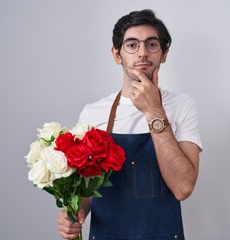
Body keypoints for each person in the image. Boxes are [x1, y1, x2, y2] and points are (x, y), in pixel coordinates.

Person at [58, 9, 202, 240]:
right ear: (117, 55)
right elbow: (86, 189)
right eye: (132, 45)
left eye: (152, 44)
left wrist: (154, 110)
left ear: (164, 54)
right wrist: (75, 213)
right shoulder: (93, 113)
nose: (142, 53)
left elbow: (183, 187)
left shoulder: (182, 106)